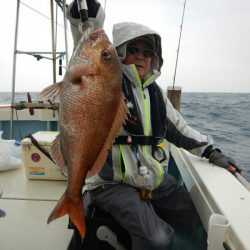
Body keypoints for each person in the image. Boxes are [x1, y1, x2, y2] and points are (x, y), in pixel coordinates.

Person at [66, 1, 239, 249]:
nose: (141, 56)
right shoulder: (105, 78)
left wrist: (211, 151)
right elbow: (88, 42)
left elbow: (180, 130)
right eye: (133, 49)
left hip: (151, 178)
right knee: (157, 239)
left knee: (197, 218)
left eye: (148, 53)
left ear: (154, 59)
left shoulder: (156, 93)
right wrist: (86, 17)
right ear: (120, 52)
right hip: (112, 182)